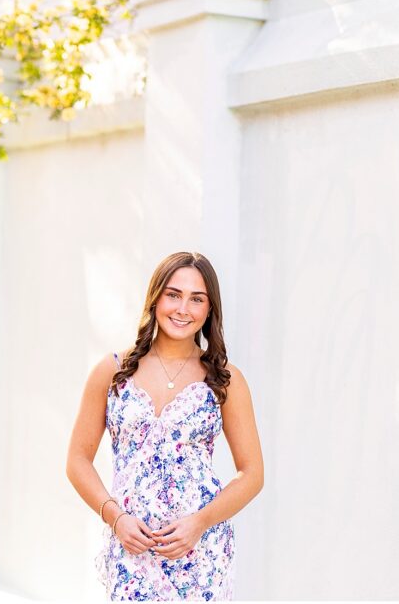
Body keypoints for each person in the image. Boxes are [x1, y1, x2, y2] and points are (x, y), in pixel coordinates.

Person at [66, 252, 263, 601]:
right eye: (173, 294)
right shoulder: (113, 372)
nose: (183, 309)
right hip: (132, 548)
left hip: (199, 552)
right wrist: (116, 518)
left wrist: (200, 523)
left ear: (209, 309)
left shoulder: (225, 379)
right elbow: (77, 460)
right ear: (156, 298)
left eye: (197, 299)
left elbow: (252, 474)